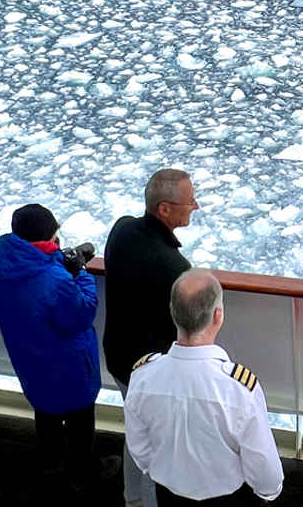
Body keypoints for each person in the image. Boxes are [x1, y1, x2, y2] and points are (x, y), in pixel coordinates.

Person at [0, 204, 119, 487]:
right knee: (80, 418)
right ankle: (84, 472)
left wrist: (59, 263)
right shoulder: (54, 279)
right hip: (67, 363)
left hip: (29, 358)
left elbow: (35, 280)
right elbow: (82, 314)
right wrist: (80, 272)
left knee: (45, 410)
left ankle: (50, 463)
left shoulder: (1, 260)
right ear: (49, 239)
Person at [124, 269, 283, 506]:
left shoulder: (143, 376)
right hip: (228, 499)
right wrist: (268, 492)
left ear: (172, 312)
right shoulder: (239, 389)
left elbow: (139, 447)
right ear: (218, 316)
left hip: (169, 495)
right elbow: (263, 464)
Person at [104, 168, 198, 507]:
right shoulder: (174, 268)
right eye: (189, 201)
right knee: (143, 437)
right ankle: (140, 501)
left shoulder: (123, 228)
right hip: (147, 368)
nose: (196, 206)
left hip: (117, 355)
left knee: (139, 429)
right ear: (165, 209)